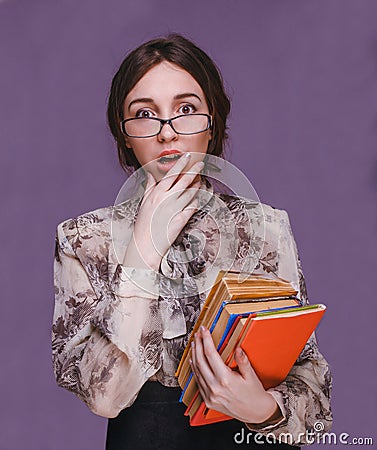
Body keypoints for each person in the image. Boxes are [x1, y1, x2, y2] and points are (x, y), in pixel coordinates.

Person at [52, 34, 332, 449]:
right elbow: (104, 395)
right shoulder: (84, 239)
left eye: (186, 110)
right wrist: (142, 255)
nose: (168, 133)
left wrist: (263, 409)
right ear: (124, 132)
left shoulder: (266, 229)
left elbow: (313, 395)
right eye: (145, 113)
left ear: (212, 121)